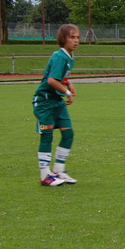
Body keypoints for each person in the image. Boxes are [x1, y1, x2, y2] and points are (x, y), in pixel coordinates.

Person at [32, 24, 81, 186]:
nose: (76, 41)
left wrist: (69, 84)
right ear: (63, 38)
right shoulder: (60, 56)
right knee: (47, 135)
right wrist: (67, 93)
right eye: (72, 37)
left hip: (57, 101)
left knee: (68, 134)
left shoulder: (69, 56)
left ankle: (59, 170)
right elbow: (51, 80)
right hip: (45, 102)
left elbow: (60, 76)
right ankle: (45, 175)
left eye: (77, 37)